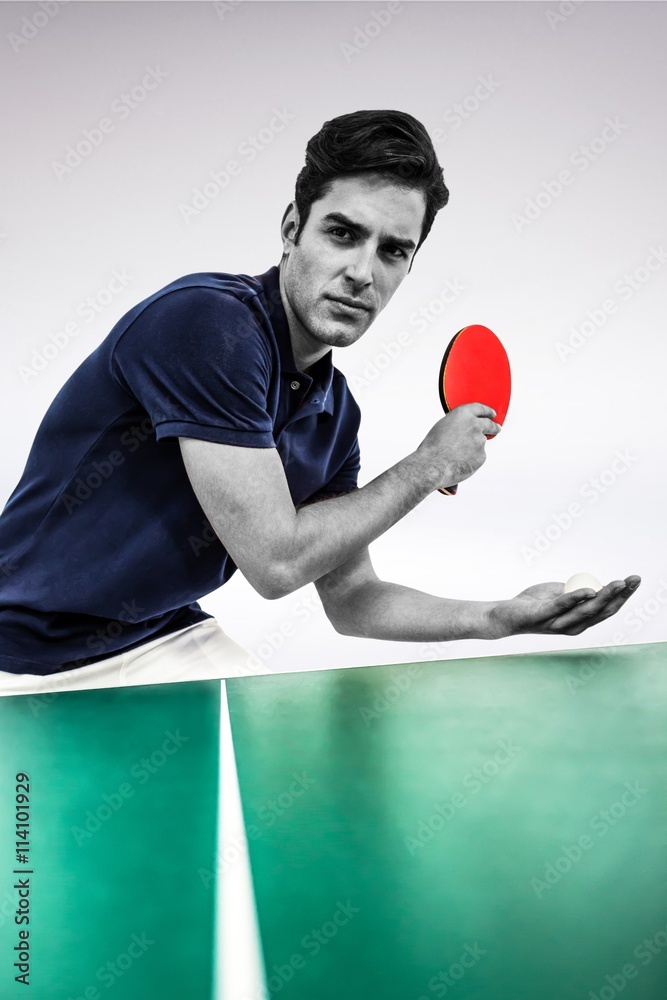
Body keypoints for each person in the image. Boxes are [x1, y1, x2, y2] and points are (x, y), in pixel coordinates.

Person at [0, 109, 640, 692]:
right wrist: (427, 467)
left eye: (393, 250)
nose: (364, 272)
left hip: (160, 636)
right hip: (19, 652)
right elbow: (277, 562)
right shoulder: (205, 325)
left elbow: (354, 598)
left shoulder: (335, 415)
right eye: (343, 233)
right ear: (290, 230)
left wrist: (501, 617)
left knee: (294, 796)